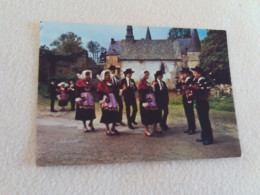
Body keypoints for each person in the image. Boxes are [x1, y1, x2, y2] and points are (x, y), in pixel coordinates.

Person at [189, 66, 214, 145]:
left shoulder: (203, 80)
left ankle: (209, 139)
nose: (194, 74)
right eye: (194, 73)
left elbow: (201, 91)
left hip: (203, 102)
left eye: (195, 73)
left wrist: (193, 92)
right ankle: (204, 136)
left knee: (205, 120)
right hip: (199, 102)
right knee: (201, 120)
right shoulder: (197, 80)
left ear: (199, 74)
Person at [96, 70, 121, 136]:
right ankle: (107, 129)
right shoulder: (101, 83)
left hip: (112, 98)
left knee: (115, 113)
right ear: (103, 76)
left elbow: (114, 90)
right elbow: (99, 91)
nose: (107, 76)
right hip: (106, 98)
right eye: (106, 75)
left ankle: (113, 128)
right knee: (106, 113)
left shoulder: (111, 82)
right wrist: (103, 99)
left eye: (108, 75)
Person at [138, 70, 162, 136]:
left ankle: (155, 127)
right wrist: (144, 102)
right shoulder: (141, 83)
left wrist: (152, 86)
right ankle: (146, 129)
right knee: (146, 114)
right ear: (142, 75)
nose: (147, 76)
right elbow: (141, 92)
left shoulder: (146, 82)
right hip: (145, 100)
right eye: (146, 74)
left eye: (148, 74)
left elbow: (149, 89)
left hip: (151, 99)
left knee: (155, 112)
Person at [175, 68, 196, 135]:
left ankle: (192, 128)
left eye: (183, 73)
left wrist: (182, 80)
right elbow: (178, 87)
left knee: (190, 113)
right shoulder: (185, 79)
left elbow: (185, 86)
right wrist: (177, 80)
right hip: (184, 97)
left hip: (189, 97)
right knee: (187, 113)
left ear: (187, 73)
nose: (182, 75)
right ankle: (190, 127)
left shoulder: (190, 79)